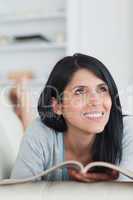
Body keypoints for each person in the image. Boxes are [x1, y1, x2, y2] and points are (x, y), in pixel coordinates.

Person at [11, 53, 133, 182]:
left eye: (102, 89)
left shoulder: (127, 130)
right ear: (57, 106)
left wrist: (107, 186)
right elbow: (18, 192)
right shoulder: (40, 132)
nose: (96, 101)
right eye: (80, 91)